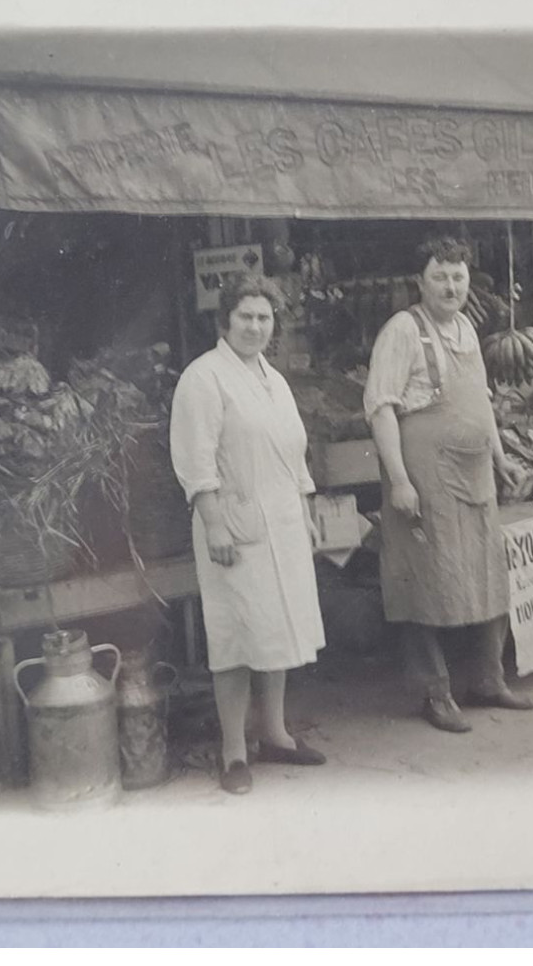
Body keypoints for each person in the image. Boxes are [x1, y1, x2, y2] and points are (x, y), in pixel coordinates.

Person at [363, 236, 533, 733]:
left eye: (458, 277)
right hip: (423, 475)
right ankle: (434, 693)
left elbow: (480, 404)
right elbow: (381, 408)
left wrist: (501, 457)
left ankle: (488, 679)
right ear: (420, 282)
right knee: (427, 578)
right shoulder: (401, 330)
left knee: (487, 573)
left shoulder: (465, 328)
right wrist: (399, 479)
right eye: (440, 276)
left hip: (475, 473)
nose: (451, 286)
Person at [170, 271, 327, 795]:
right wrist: (213, 523)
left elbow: (293, 450)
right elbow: (195, 460)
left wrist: (305, 511)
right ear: (225, 320)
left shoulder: (272, 378)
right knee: (236, 636)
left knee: (274, 630)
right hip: (232, 526)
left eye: (264, 318)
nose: (256, 326)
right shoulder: (204, 377)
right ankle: (234, 752)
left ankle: (277, 733)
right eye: (246, 317)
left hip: (281, 521)